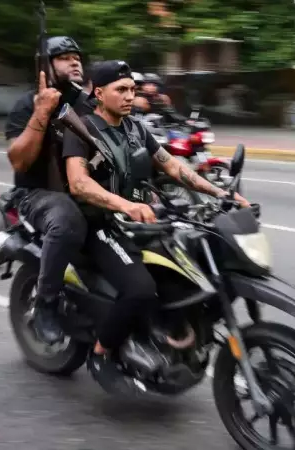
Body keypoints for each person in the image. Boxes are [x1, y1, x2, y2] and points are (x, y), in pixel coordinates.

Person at [62, 60, 250, 393]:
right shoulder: (81, 130)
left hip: (137, 220)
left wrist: (222, 192)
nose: (129, 96)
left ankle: (171, 333)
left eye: (132, 89)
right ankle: (100, 353)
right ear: (98, 91)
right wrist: (126, 205)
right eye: (121, 90)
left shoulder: (136, 129)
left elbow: (174, 168)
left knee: (191, 266)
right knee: (140, 289)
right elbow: (78, 184)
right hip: (98, 224)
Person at [4, 36, 93, 344]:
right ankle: (46, 305)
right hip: (38, 195)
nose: (75, 61)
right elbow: (19, 161)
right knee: (67, 220)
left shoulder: (87, 103)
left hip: (86, 189)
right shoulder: (27, 104)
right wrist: (42, 112)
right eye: (64, 57)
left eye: (77, 56)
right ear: (45, 66)